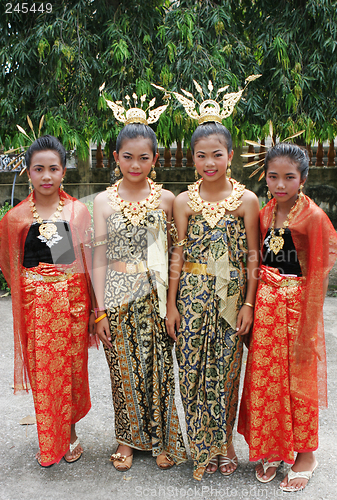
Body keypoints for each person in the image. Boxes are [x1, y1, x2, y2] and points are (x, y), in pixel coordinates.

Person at [238, 142, 337, 492]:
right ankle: (273, 448)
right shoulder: (263, 214)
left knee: (298, 383)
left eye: (289, 178)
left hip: (296, 309)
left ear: (303, 179)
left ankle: (305, 455)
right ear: (265, 177)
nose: (280, 184)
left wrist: (309, 326)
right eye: (273, 177)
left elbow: (320, 272)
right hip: (266, 307)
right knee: (266, 379)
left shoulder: (314, 217)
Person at [166, 121, 260, 480]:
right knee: (190, 370)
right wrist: (171, 305)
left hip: (231, 298)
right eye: (202, 155)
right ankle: (201, 445)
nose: (209, 162)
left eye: (216, 155)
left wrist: (249, 304)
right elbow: (177, 253)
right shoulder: (183, 201)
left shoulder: (247, 200)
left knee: (225, 372)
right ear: (192, 158)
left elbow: (253, 256)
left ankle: (224, 444)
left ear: (230, 156)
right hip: (191, 295)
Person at [93, 115, 187, 471]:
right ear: (115, 157)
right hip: (117, 292)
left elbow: (176, 251)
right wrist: (99, 310)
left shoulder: (167, 199)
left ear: (155, 159)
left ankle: (163, 440)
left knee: (160, 367)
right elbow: (99, 257)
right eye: (128, 156)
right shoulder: (102, 201)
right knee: (124, 370)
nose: (135, 164)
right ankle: (127, 441)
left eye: (143, 157)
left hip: (155, 293)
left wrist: (173, 303)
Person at [0, 135, 96, 467]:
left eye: (53, 168)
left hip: (72, 306)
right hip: (36, 308)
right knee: (44, 374)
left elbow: (87, 262)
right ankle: (48, 441)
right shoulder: (14, 218)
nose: (46, 176)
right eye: (38, 169)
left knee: (70, 372)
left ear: (63, 172)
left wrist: (93, 311)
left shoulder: (77, 211)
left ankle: (68, 434)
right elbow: (10, 265)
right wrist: (35, 289)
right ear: (28, 172)